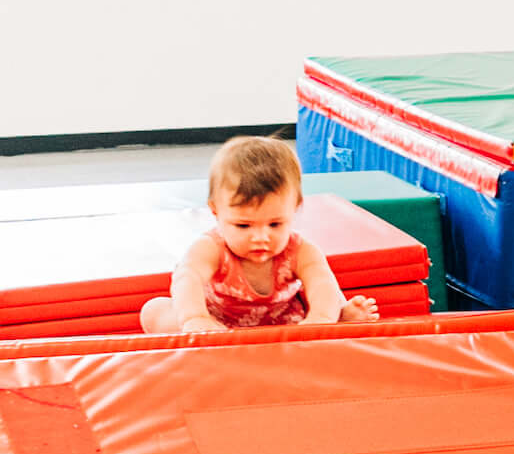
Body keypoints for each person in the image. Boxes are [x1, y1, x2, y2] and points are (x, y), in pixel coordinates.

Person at [140, 136, 382, 334]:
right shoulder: (211, 248)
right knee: (154, 310)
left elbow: (321, 283)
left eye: (275, 224)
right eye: (244, 226)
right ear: (215, 211)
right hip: (217, 329)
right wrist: (196, 318)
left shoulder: (300, 250)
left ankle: (338, 318)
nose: (261, 237)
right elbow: (188, 277)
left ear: (295, 208)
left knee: (331, 298)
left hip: (287, 328)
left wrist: (320, 319)